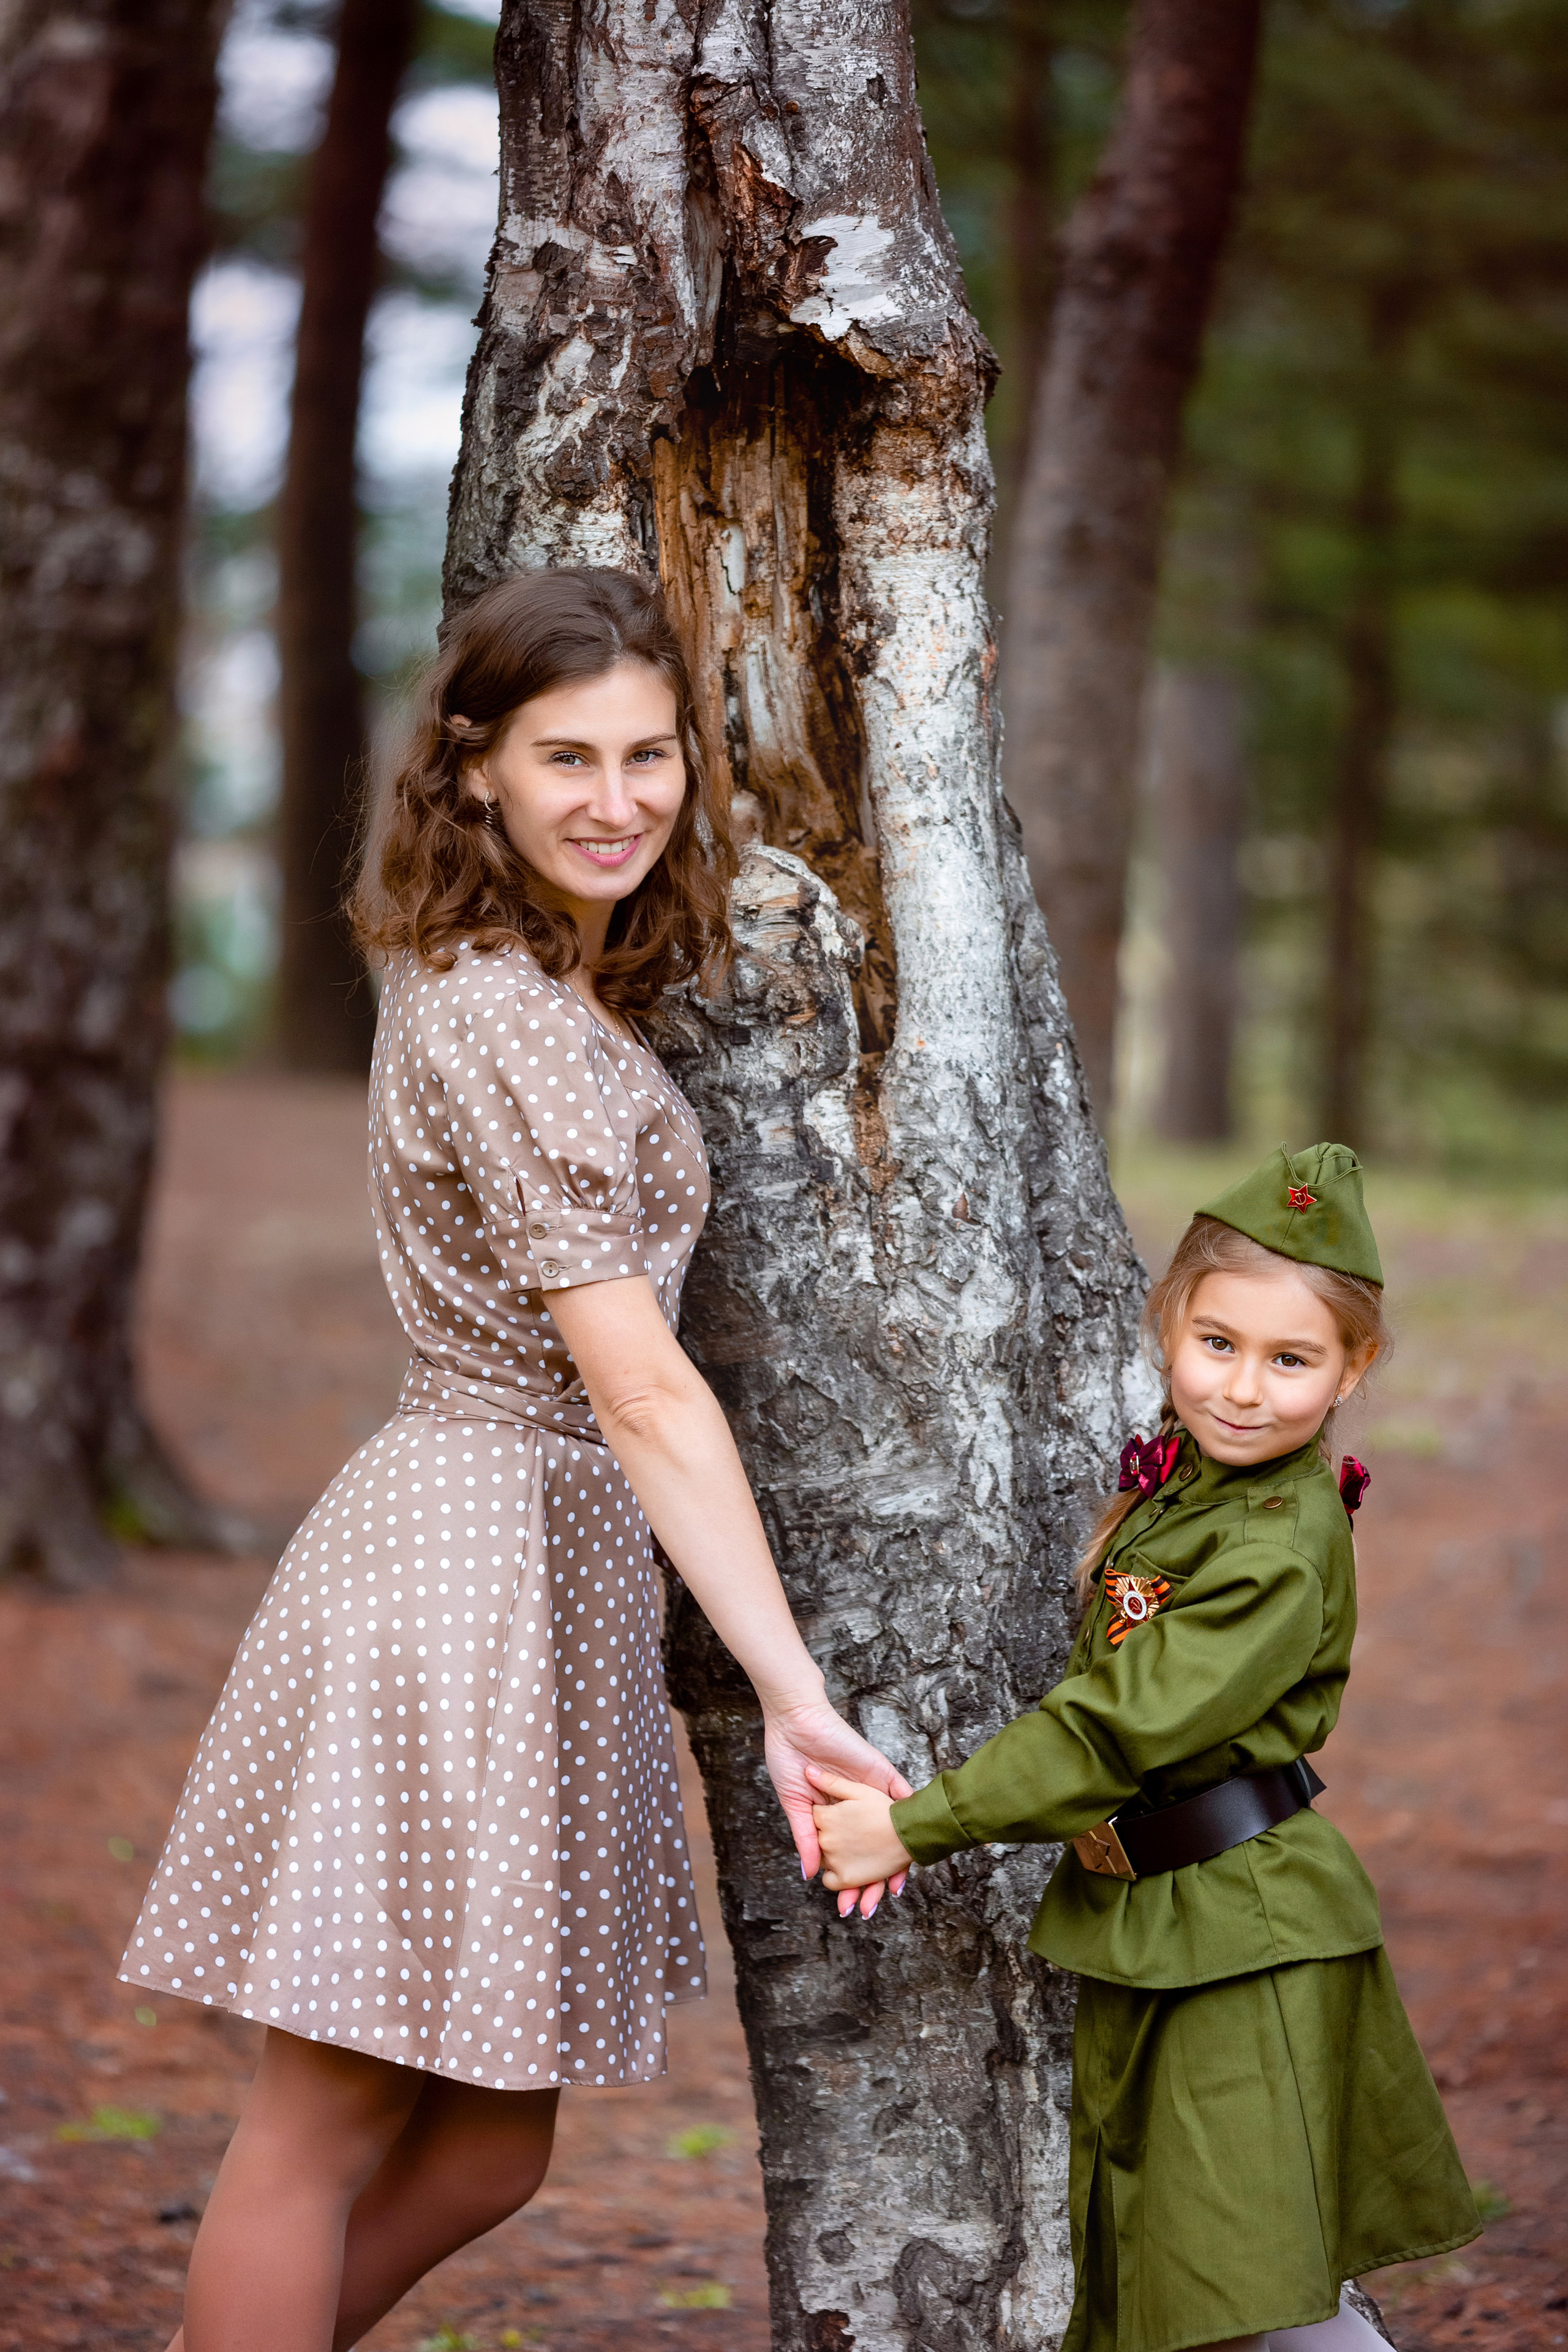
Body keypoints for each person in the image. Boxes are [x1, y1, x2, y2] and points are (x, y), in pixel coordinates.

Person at [122, 566, 907, 2352]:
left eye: (653, 757)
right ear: (473, 768)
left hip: (543, 1577)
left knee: (488, 2147)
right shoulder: (502, 1015)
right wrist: (794, 1691)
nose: (619, 800)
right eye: (568, 759)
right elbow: (641, 1390)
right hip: (464, 1564)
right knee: (317, 2124)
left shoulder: (512, 980)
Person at [810, 1144, 1481, 2352]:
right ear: (1167, 1324)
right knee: (1197, 2283)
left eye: (1289, 1361)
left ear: (1351, 1369)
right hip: (1159, 1921)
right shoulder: (1195, 1487)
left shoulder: (1276, 1538)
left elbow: (1114, 1724)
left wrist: (911, 1826)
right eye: (1215, 1343)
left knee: (1239, 2291)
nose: (1239, 1387)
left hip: (1240, 1941)